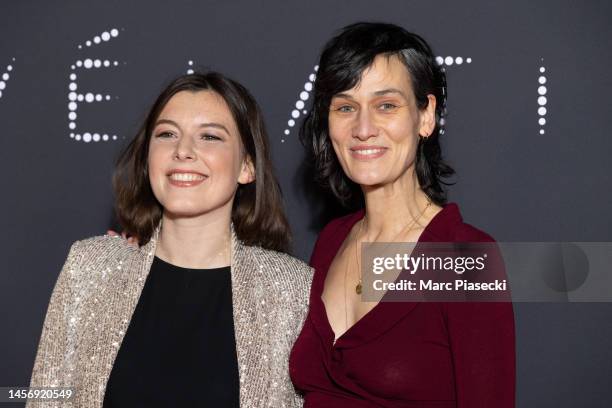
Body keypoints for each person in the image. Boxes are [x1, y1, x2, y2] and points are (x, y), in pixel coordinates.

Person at [27, 72, 312, 407]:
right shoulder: (89, 267)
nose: (183, 151)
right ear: (148, 157)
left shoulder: (292, 290)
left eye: (209, 136)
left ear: (246, 167)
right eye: (166, 134)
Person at [289, 22, 515, 407]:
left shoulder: (465, 259)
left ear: (426, 116)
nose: (363, 128)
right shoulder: (332, 239)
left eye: (386, 105)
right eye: (345, 107)